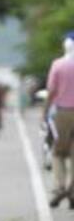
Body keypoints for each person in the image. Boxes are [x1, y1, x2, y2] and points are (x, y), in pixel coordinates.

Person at [44, 32, 74, 207]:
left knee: (57, 152)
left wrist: (45, 111)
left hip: (62, 113)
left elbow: (52, 91)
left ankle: (60, 186)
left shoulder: (58, 65)